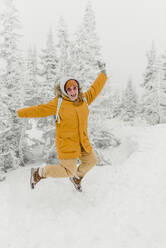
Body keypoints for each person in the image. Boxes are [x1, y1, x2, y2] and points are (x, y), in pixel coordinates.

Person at [17, 62, 107, 192]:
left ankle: (77, 178)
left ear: (78, 88)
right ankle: (39, 173)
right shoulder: (59, 103)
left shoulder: (84, 100)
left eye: (74, 88)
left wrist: (103, 73)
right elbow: (40, 110)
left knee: (92, 160)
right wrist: (19, 112)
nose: (72, 92)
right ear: (64, 91)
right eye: (69, 89)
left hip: (82, 141)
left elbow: (95, 88)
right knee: (68, 171)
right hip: (67, 144)